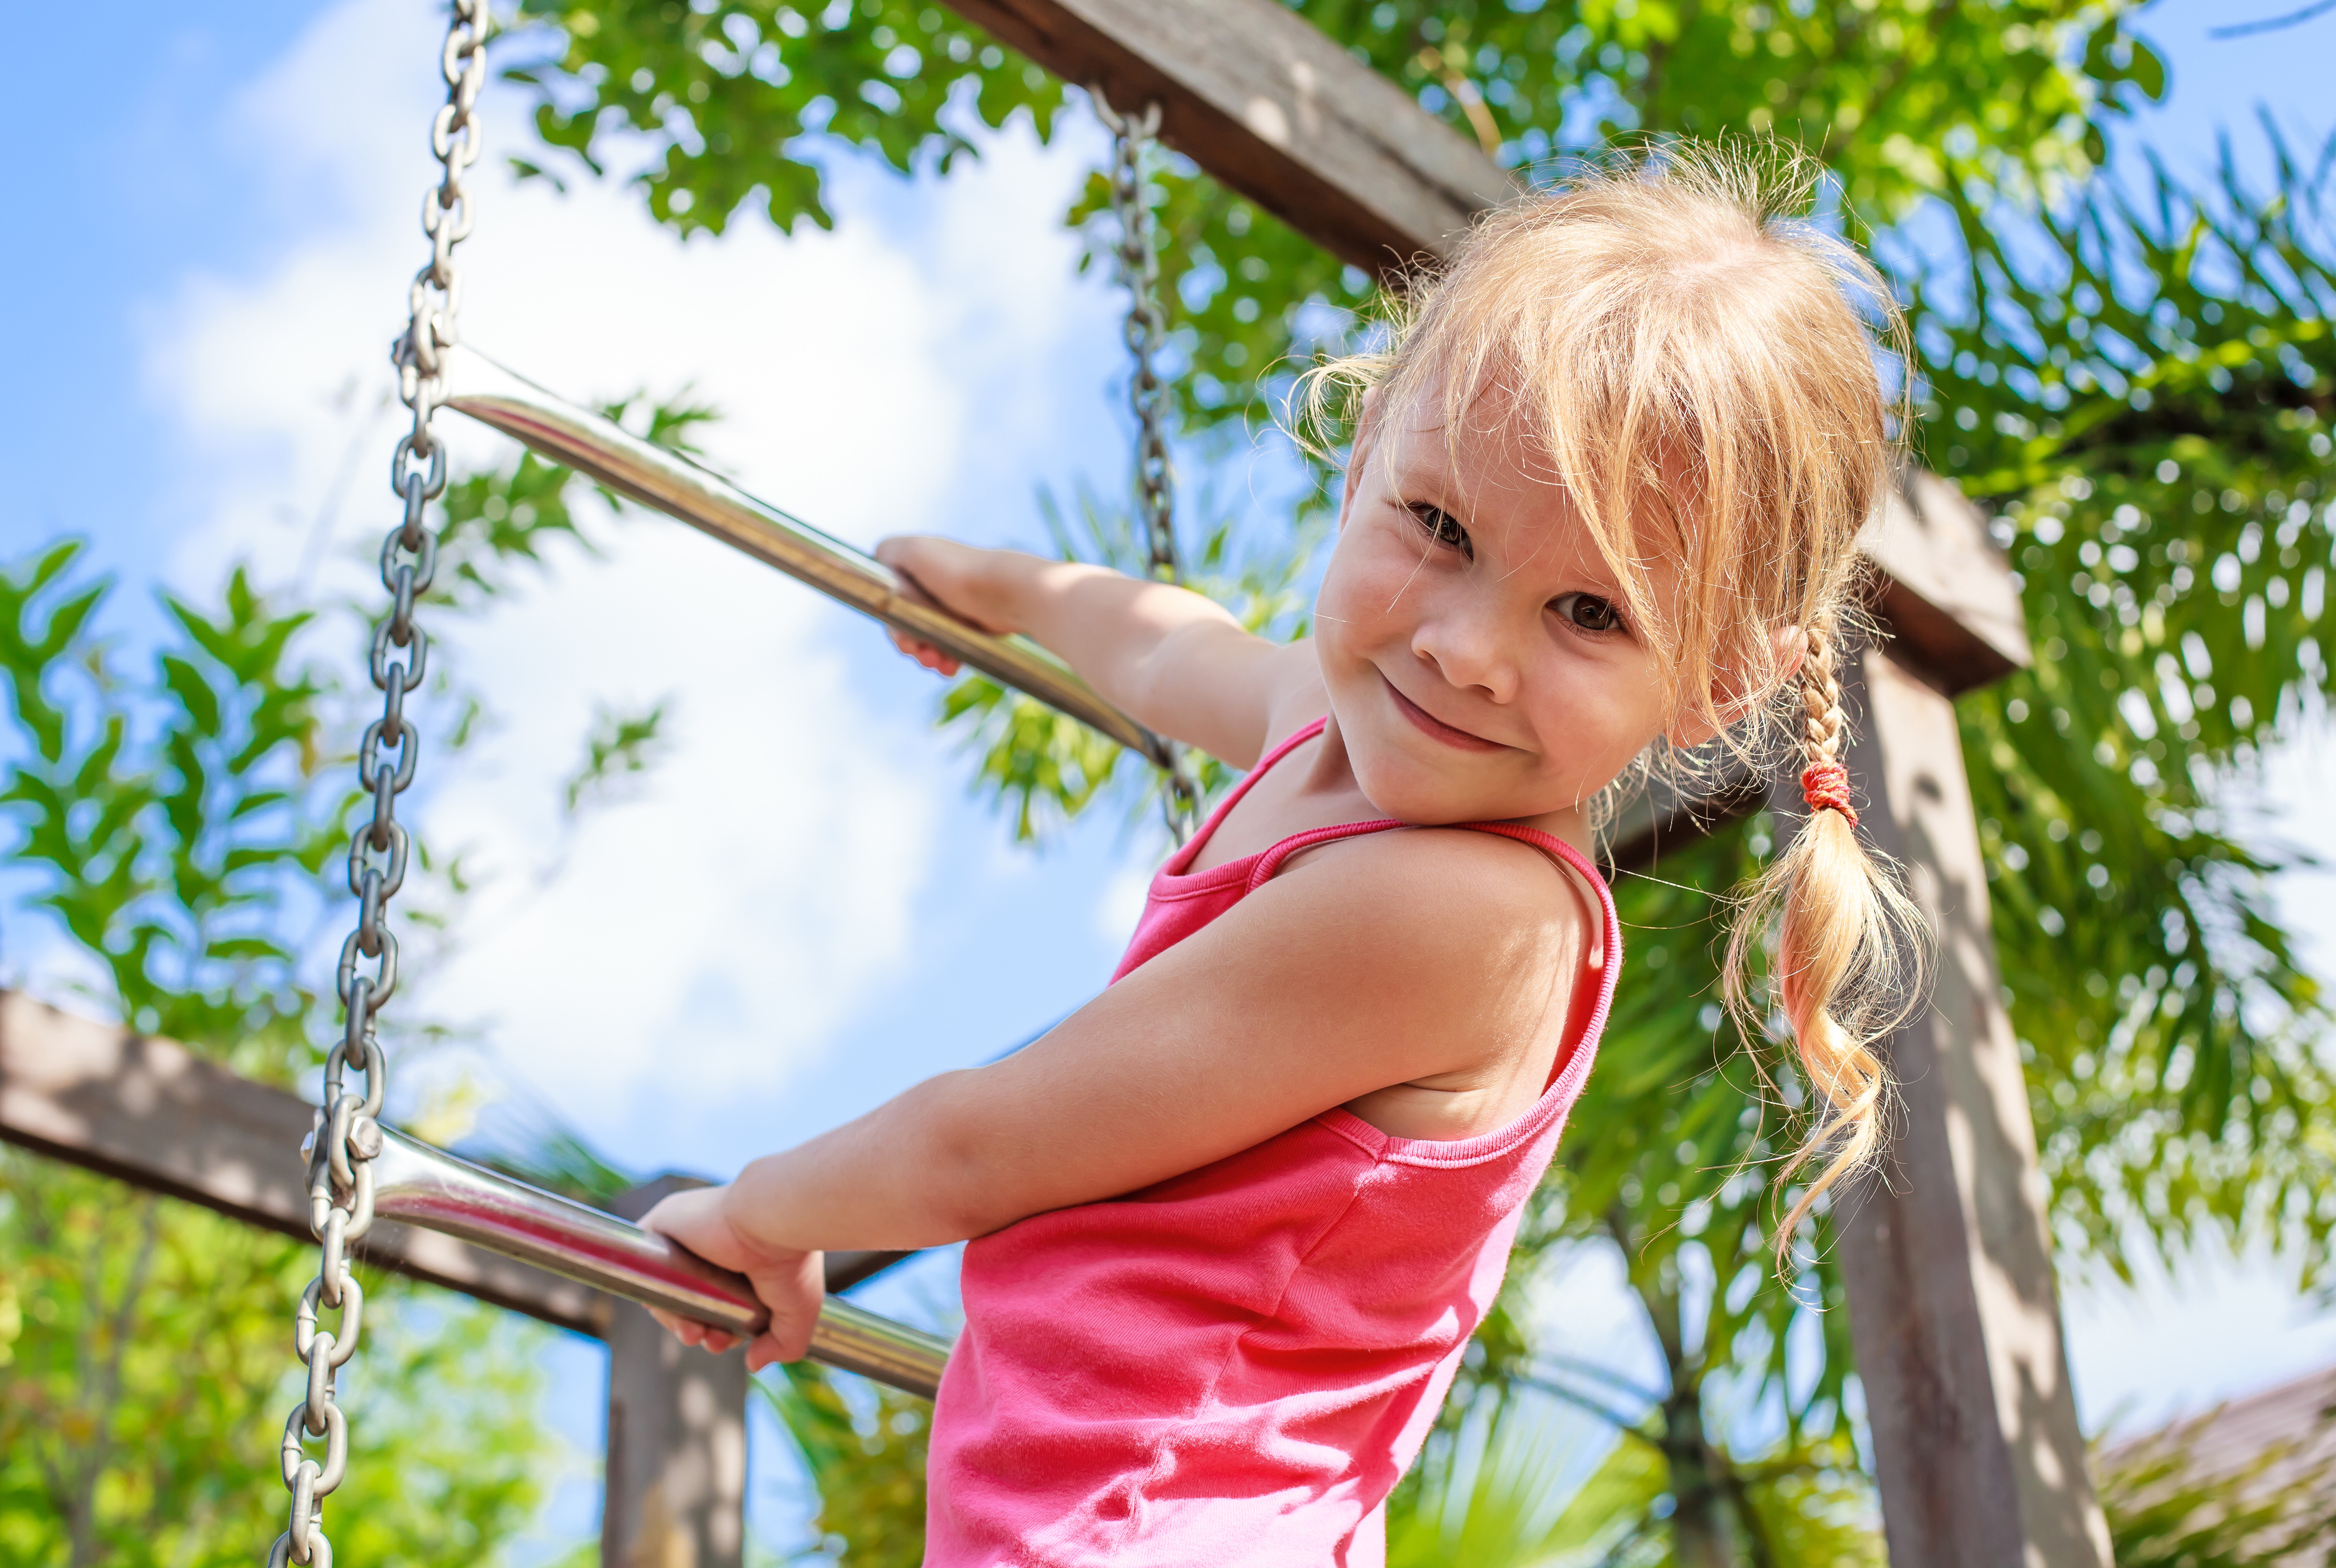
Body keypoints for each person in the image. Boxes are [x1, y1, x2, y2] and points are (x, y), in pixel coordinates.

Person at [638, 142, 1924, 1567]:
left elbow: (980, 1142)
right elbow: (1173, 646)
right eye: (1437, 526)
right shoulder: (1338, 721)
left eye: (1589, 614)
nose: (1463, 648)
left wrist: (757, 1212)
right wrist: (1004, 590)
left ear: (1718, 681)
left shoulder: (1462, 914)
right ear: (1365, 448)